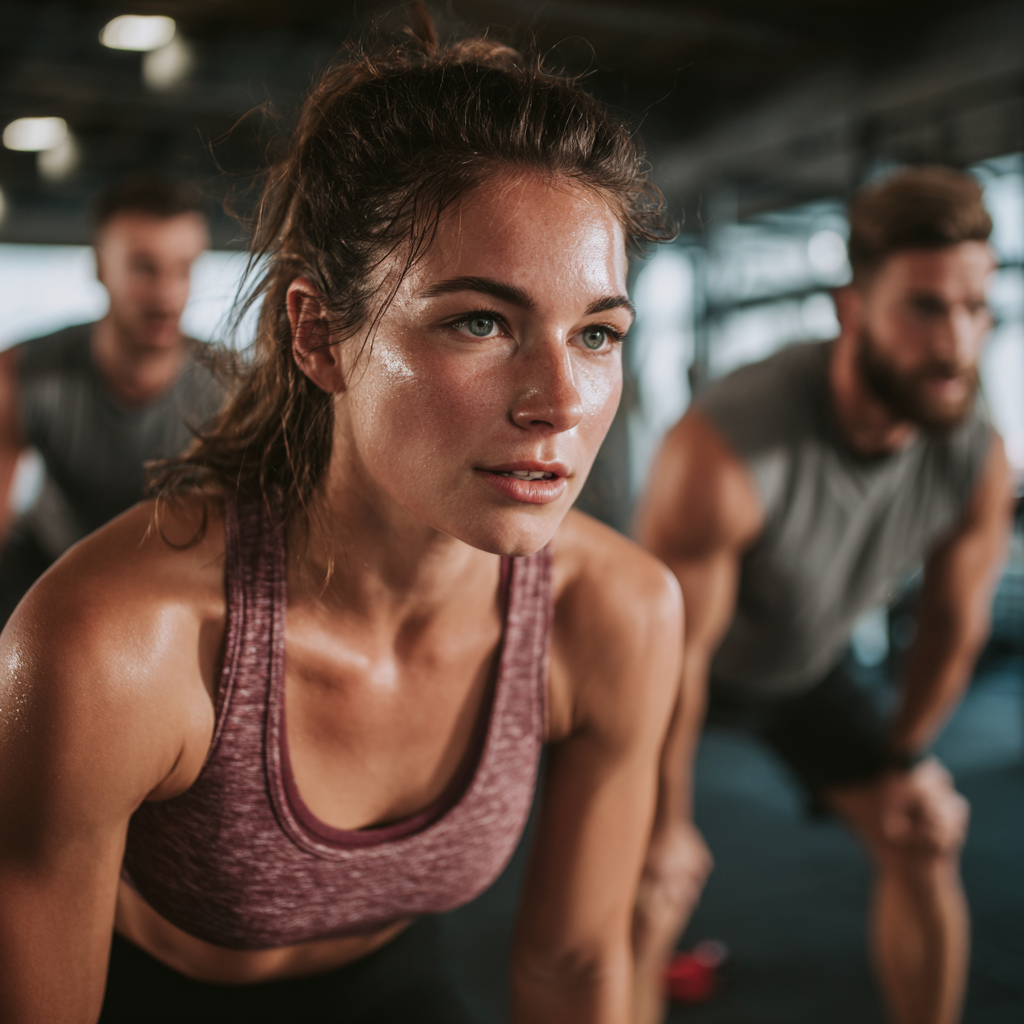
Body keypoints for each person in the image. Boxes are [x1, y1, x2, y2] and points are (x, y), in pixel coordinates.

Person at [0, 10, 683, 1024]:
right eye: (480, 321)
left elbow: (577, 966)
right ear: (318, 336)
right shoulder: (114, 644)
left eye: (596, 333)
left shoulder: (618, 610)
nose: (561, 401)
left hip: (396, 987)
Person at [633, 166, 1016, 1024]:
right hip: (663, 669)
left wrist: (907, 758)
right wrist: (665, 824)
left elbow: (954, 622)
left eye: (976, 307)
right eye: (925, 307)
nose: (957, 342)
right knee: (640, 892)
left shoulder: (974, 450)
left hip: (803, 664)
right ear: (852, 310)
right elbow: (674, 658)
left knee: (925, 835)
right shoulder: (725, 449)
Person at [0, 173, 222, 625]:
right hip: (45, 571)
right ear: (101, 269)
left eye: (183, 269)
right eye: (144, 268)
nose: (166, 295)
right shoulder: (23, 372)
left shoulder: (232, 390)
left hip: (164, 585)